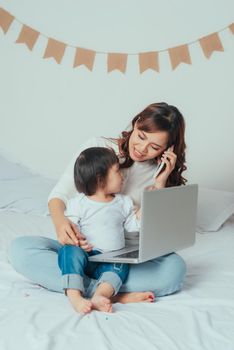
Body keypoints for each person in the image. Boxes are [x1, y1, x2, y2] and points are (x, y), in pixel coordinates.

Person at [10, 102, 187, 304]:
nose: (141, 149)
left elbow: (154, 231)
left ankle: (79, 285)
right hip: (84, 250)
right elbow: (60, 194)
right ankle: (111, 293)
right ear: (136, 123)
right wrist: (61, 224)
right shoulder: (99, 148)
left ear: (168, 149)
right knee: (20, 250)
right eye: (141, 136)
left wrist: (161, 184)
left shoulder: (159, 174)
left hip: (123, 257)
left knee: (175, 269)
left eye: (154, 147)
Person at [60, 146, 151, 313]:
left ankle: (100, 295)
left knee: (121, 264)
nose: (122, 176)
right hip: (86, 257)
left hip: (111, 259)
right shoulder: (79, 203)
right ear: (100, 179)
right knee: (68, 251)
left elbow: (134, 227)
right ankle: (74, 295)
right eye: (117, 171)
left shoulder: (123, 202)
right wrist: (78, 242)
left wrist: (146, 207)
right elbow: (71, 229)